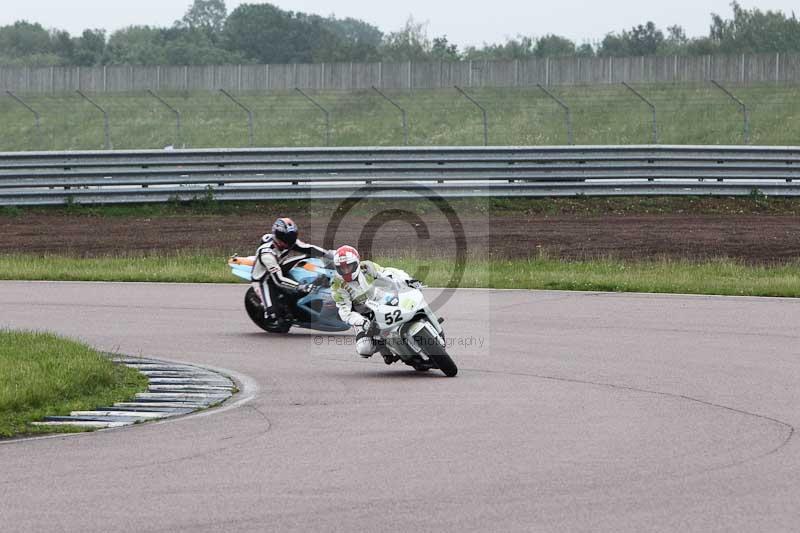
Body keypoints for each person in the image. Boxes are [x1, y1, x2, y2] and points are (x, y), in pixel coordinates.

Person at [331, 245, 413, 361]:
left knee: (411, 302)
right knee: (364, 349)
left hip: (383, 301)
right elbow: (344, 311)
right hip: (364, 317)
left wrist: (406, 280)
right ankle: (385, 348)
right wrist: (361, 322)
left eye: (348, 267)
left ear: (356, 263)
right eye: (342, 268)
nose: (346, 271)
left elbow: (387, 273)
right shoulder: (337, 284)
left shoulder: (367, 267)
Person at [251, 217, 332, 325]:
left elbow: (308, 248)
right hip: (264, 278)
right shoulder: (267, 254)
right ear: (277, 237)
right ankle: (270, 310)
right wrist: (300, 286)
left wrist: (328, 254)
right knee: (272, 316)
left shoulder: (289, 241)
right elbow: (278, 280)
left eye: (292, 237)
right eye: (286, 238)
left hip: (279, 266)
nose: (290, 242)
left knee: (306, 257)